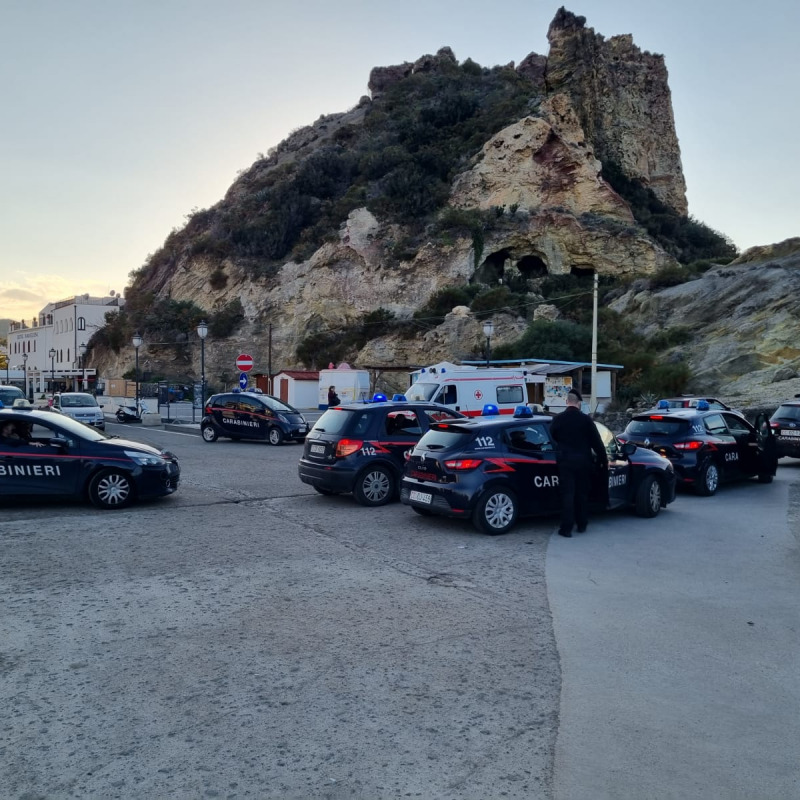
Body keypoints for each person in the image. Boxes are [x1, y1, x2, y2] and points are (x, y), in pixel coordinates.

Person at [549, 388, 608, 537]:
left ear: (566, 402)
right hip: (583, 462)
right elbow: (597, 442)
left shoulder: (558, 419)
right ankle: (582, 524)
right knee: (582, 494)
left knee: (568, 495)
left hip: (566, 462)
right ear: (579, 403)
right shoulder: (586, 420)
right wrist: (603, 460)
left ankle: (566, 529)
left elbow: (552, 437)